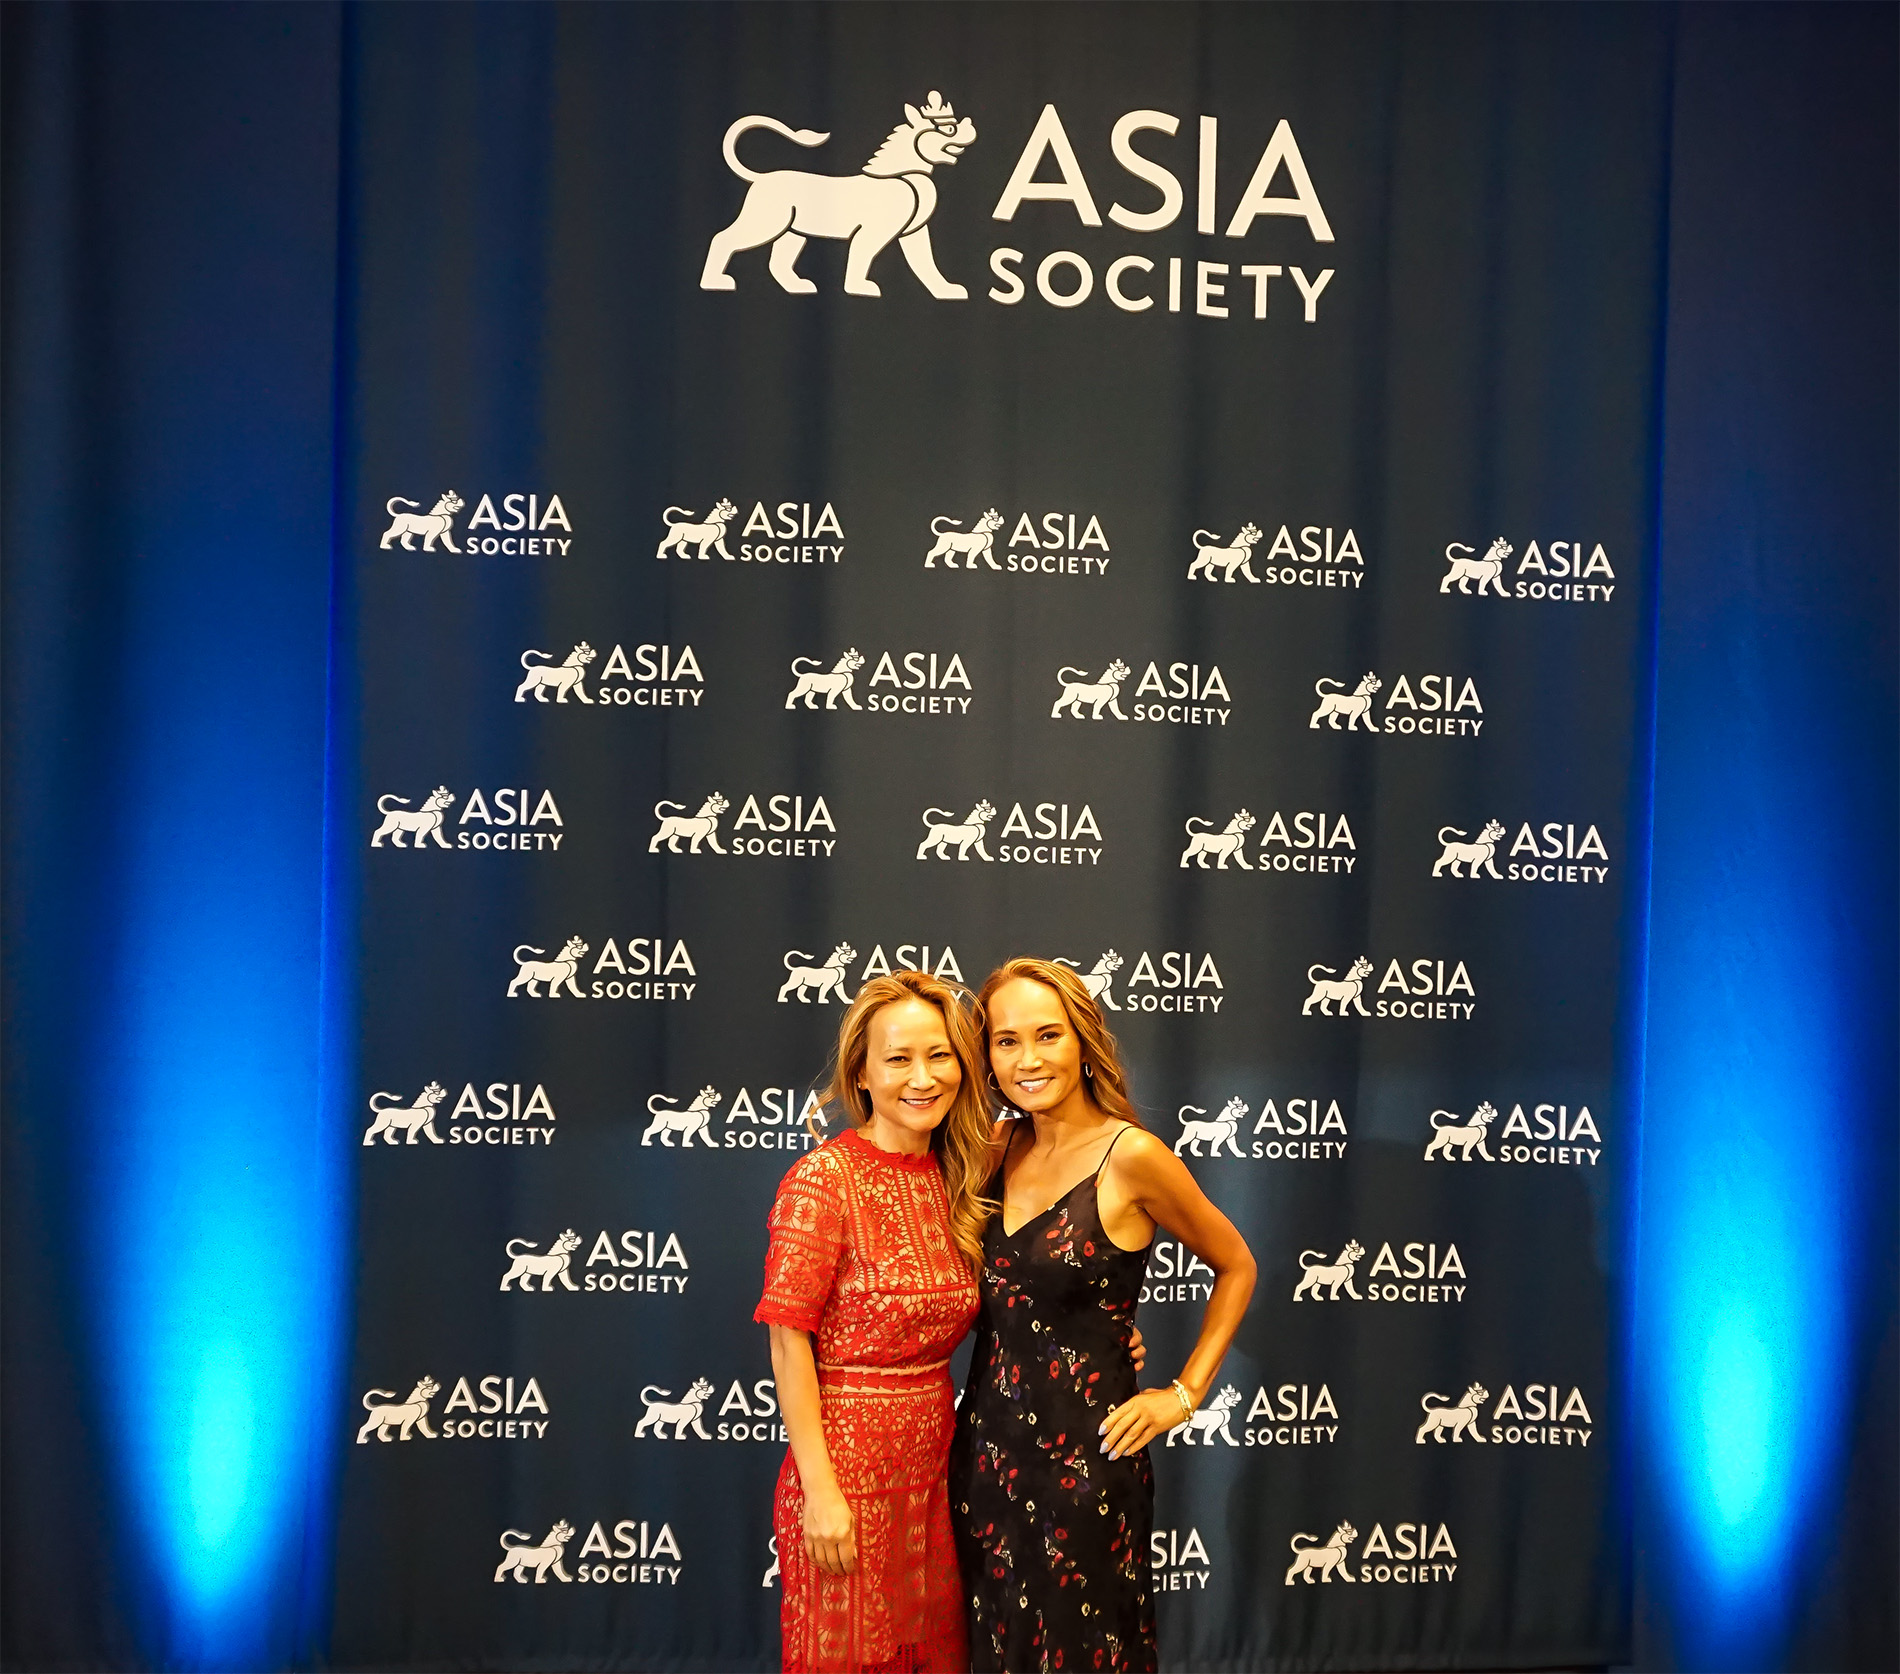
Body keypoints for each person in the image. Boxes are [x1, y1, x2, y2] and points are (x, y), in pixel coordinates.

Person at [950, 957, 1257, 1674]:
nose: (1028, 1059)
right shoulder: (994, 1149)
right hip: (985, 1463)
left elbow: (1237, 1265)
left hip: (1089, 1468)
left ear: (1084, 1040)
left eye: (1048, 1035)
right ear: (986, 1055)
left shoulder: (1133, 1156)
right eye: (1006, 1041)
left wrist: (1184, 1393)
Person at [755, 971, 993, 1674]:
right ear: (861, 1071)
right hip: (846, 1475)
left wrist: (1104, 1331)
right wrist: (821, 1492)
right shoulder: (823, 1178)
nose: (924, 1077)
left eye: (941, 1055)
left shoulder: (963, 1175)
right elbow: (787, 1337)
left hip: (939, 1471)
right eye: (899, 1059)